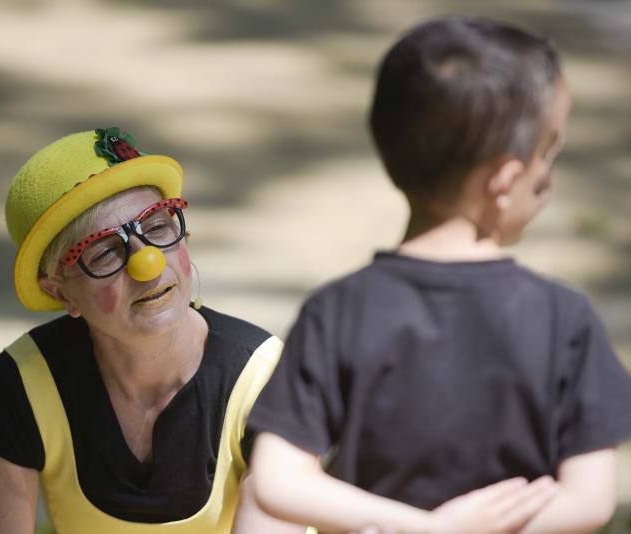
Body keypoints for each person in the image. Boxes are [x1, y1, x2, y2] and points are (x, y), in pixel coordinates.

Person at [246, 16, 631, 533]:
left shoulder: (336, 310)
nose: (551, 177)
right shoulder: (564, 318)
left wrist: (419, 528)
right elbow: (590, 499)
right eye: (549, 154)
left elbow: (278, 480)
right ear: (506, 179)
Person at [0, 128, 303, 534]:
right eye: (104, 251)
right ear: (60, 291)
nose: (148, 264)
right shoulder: (22, 384)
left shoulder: (267, 378)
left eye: (156, 228)